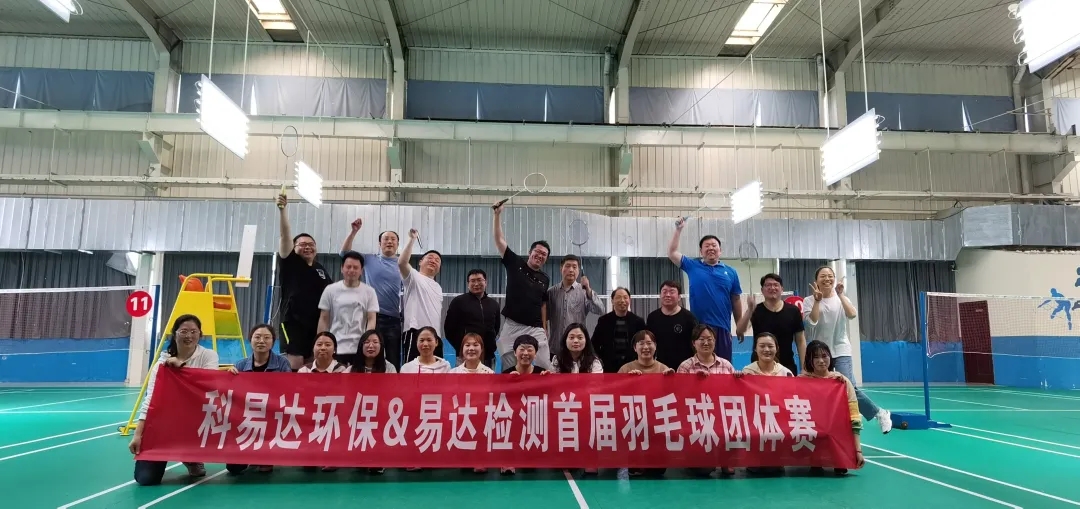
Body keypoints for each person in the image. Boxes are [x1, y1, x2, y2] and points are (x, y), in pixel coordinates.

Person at [130, 315, 219, 486]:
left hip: (196, 419)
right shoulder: (161, 365)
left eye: (193, 331)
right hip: (166, 423)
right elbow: (150, 400)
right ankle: (180, 454)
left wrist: (181, 368)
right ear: (175, 334)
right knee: (146, 479)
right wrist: (137, 435)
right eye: (183, 331)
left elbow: (208, 384)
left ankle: (191, 457)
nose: (189, 336)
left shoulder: (208, 356)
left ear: (200, 335)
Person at [803, 265, 892, 434]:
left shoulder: (841, 298)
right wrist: (817, 301)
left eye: (830, 276)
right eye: (823, 276)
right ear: (816, 281)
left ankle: (879, 413)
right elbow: (811, 322)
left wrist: (841, 294)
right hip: (819, 352)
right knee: (817, 387)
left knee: (848, 385)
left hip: (841, 348)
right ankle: (824, 422)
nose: (827, 279)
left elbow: (852, 314)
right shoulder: (809, 300)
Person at [667, 219, 743, 363]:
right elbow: (672, 253)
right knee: (699, 368)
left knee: (722, 368)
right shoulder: (692, 266)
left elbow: (736, 299)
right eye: (706, 246)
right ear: (701, 251)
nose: (710, 248)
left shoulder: (731, 272)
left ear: (720, 251)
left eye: (714, 245)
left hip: (722, 328)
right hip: (698, 328)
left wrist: (739, 324)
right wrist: (678, 230)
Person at [492, 200, 552, 370]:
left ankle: (542, 388)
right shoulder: (515, 263)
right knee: (508, 366)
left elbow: (543, 304)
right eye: (537, 251)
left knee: (545, 367)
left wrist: (544, 327)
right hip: (512, 324)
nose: (540, 255)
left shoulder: (545, 278)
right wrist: (497, 215)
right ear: (529, 252)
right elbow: (499, 240)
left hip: (535, 328)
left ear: (546, 259)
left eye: (544, 254)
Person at [275, 194, 332, 370]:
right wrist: (283, 210)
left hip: (315, 325)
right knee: (295, 364)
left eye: (311, 244)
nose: (307, 247)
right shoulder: (290, 261)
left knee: (312, 365)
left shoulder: (321, 270)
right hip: (292, 324)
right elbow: (285, 235)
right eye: (302, 244)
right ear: (294, 248)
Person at [225, 323, 291, 475]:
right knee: (233, 468)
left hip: (273, 415)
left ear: (273, 342)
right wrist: (229, 377)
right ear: (250, 340)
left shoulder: (282, 363)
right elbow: (232, 393)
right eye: (257, 337)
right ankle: (250, 452)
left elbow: (288, 389)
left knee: (265, 468)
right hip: (248, 417)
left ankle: (265, 453)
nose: (261, 341)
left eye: (267, 337)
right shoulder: (240, 365)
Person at [340, 219, 405, 368]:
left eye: (393, 239)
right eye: (386, 239)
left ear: (397, 244)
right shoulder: (369, 260)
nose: (389, 242)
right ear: (379, 243)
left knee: (393, 358)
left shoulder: (403, 265)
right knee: (369, 356)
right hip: (371, 317)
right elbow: (344, 253)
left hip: (394, 319)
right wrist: (354, 231)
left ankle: (392, 383)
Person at [676, 324, 737, 477]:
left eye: (710, 339)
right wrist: (695, 383)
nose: (706, 343)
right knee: (703, 469)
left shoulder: (726, 365)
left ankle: (726, 458)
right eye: (701, 339)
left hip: (722, 417)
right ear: (693, 343)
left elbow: (735, 395)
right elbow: (679, 395)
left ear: (715, 342)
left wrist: (739, 379)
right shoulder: (685, 366)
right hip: (696, 418)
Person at [800, 340, 866, 476]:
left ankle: (840, 457)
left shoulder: (842, 382)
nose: (821, 361)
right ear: (809, 360)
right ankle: (815, 459)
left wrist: (858, 451)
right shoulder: (801, 381)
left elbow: (854, 416)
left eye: (824, 356)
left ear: (830, 357)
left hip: (836, 431)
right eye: (816, 357)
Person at [618, 330, 674, 478]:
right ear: (634, 348)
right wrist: (628, 382)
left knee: (658, 470)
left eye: (649, 343)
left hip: (657, 422)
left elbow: (673, 399)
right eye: (641, 343)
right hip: (634, 423)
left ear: (655, 346)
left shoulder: (664, 369)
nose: (646, 347)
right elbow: (616, 397)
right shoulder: (626, 369)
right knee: (635, 469)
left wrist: (671, 381)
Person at [734, 273, 805, 374]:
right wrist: (749, 310)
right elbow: (740, 330)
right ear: (762, 290)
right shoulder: (755, 310)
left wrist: (804, 367)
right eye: (768, 285)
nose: (772, 288)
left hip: (786, 365)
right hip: (759, 367)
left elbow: (801, 341)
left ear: (782, 289)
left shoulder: (793, 311)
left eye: (776, 285)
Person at [317, 251, 379, 367]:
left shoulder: (369, 292)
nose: (351, 270)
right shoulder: (330, 290)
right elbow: (324, 319)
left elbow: (371, 319)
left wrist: (365, 343)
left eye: (355, 267)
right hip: (335, 348)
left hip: (358, 349)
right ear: (342, 268)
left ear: (361, 270)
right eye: (348, 267)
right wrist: (321, 344)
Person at [499, 334, 548, 476]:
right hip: (513, 418)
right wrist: (509, 383)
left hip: (534, 419)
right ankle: (508, 459)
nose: (525, 353)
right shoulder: (506, 374)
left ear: (535, 353)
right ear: (515, 353)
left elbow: (550, 399)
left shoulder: (541, 373)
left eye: (530, 349)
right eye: (522, 349)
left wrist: (548, 383)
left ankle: (530, 454)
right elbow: (499, 401)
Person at [398, 229, 444, 364]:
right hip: (415, 332)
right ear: (420, 262)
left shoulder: (438, 287)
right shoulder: (413, 277)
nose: (433, 261)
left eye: (437, 260)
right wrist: (412, 239)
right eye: (430, 258)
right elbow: (402, 263)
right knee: (412, 372)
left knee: (436, 373)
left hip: (436, 337)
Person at [546, 255, 604, 357]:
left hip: (577, 349)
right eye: (567, 266)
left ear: (578, 271)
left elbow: (600, 310)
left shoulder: (584, 291)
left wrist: (588, 289)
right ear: (561, 268)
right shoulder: (551, 292)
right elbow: (544, 316)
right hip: (555, 348)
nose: (571, 270)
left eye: (574, 267)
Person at [444, 269, 501, 367]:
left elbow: (496, 328)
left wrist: (490, 344)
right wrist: (462, 348)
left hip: (488, 356)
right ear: (468, 284)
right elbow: (449, 329)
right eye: (473, 281)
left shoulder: (493, 304)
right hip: (465, 356)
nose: (476, 284)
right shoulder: (458, 302)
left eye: (479, 280)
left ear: (485, 282)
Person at [645, 280, 698, 369]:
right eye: (664, 292)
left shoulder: (689, 318)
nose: (668, 295)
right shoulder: (652, 318)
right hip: (659, 367)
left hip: (685, 368)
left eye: (672, 292)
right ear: (660, 295)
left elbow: (695, 344)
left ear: (679, 297)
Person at [593, 287, 646, 373]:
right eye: (618, 297)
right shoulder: (603, 321)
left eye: (625, 297)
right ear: (612, 301)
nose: (622, 300)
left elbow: (643, 344)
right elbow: (594, 344)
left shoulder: (638, 321)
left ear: (629, 300)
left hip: (632, 367)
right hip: (608, 368)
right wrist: (599, 361)